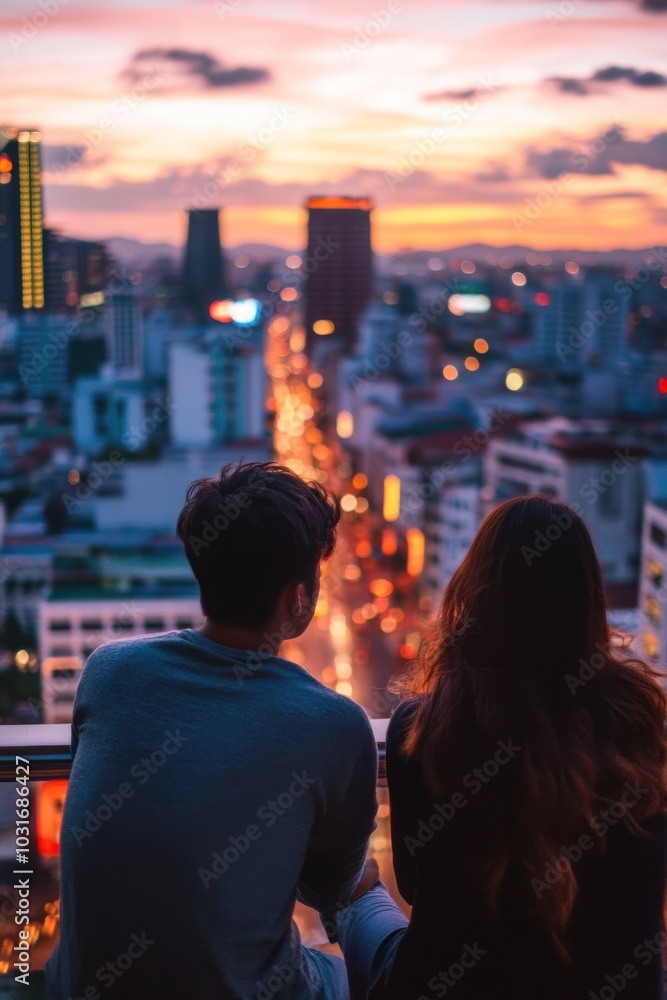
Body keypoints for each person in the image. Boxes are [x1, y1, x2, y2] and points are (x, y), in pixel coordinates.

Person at [46, 461, 380, 1000]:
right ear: (298, 598)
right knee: (368, 928)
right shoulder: (335, 723)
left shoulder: (109, 670)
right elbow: (329, 888)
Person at [333, 495, 667, 1000]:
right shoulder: (643, 723)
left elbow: (416, 886)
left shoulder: (425, 727)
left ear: (475, 594)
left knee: (356, 896)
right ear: (589, 599)